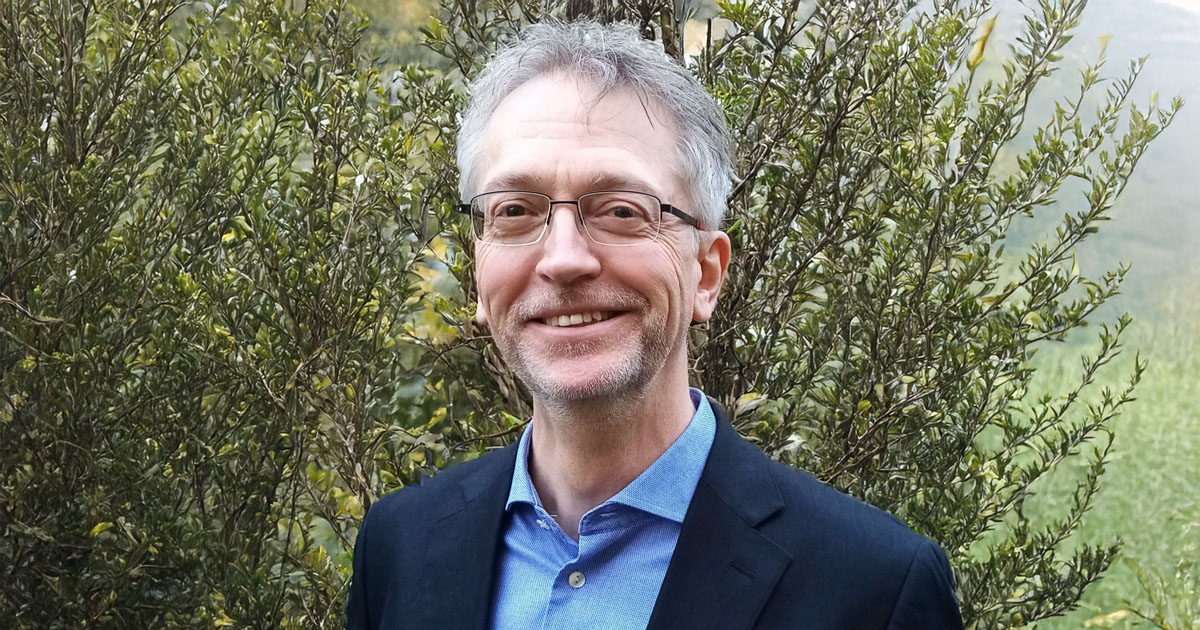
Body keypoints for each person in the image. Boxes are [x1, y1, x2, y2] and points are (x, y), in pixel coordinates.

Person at [346, 20, 963, 630]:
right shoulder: (399, 548)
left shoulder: (875, 590)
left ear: (705, 273)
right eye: (515, 210)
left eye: (621, 210)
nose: (563, 259)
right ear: (479, 267)